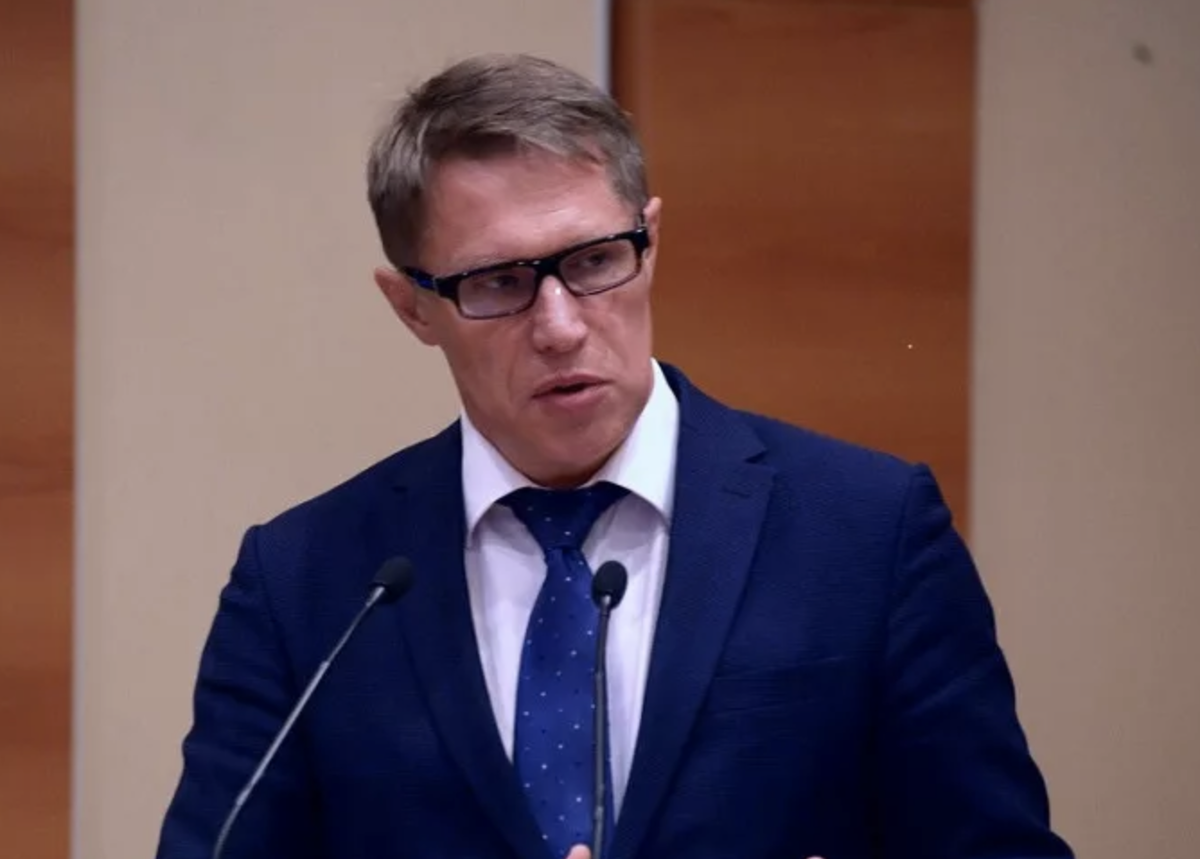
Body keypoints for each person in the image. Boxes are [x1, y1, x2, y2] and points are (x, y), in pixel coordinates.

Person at [156, 53, 1073, 859]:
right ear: (412, 307)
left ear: (651, 241)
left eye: (595, 261)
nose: (560, 326)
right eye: (499, 281)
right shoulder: (308, 584)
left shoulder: (867, 531)